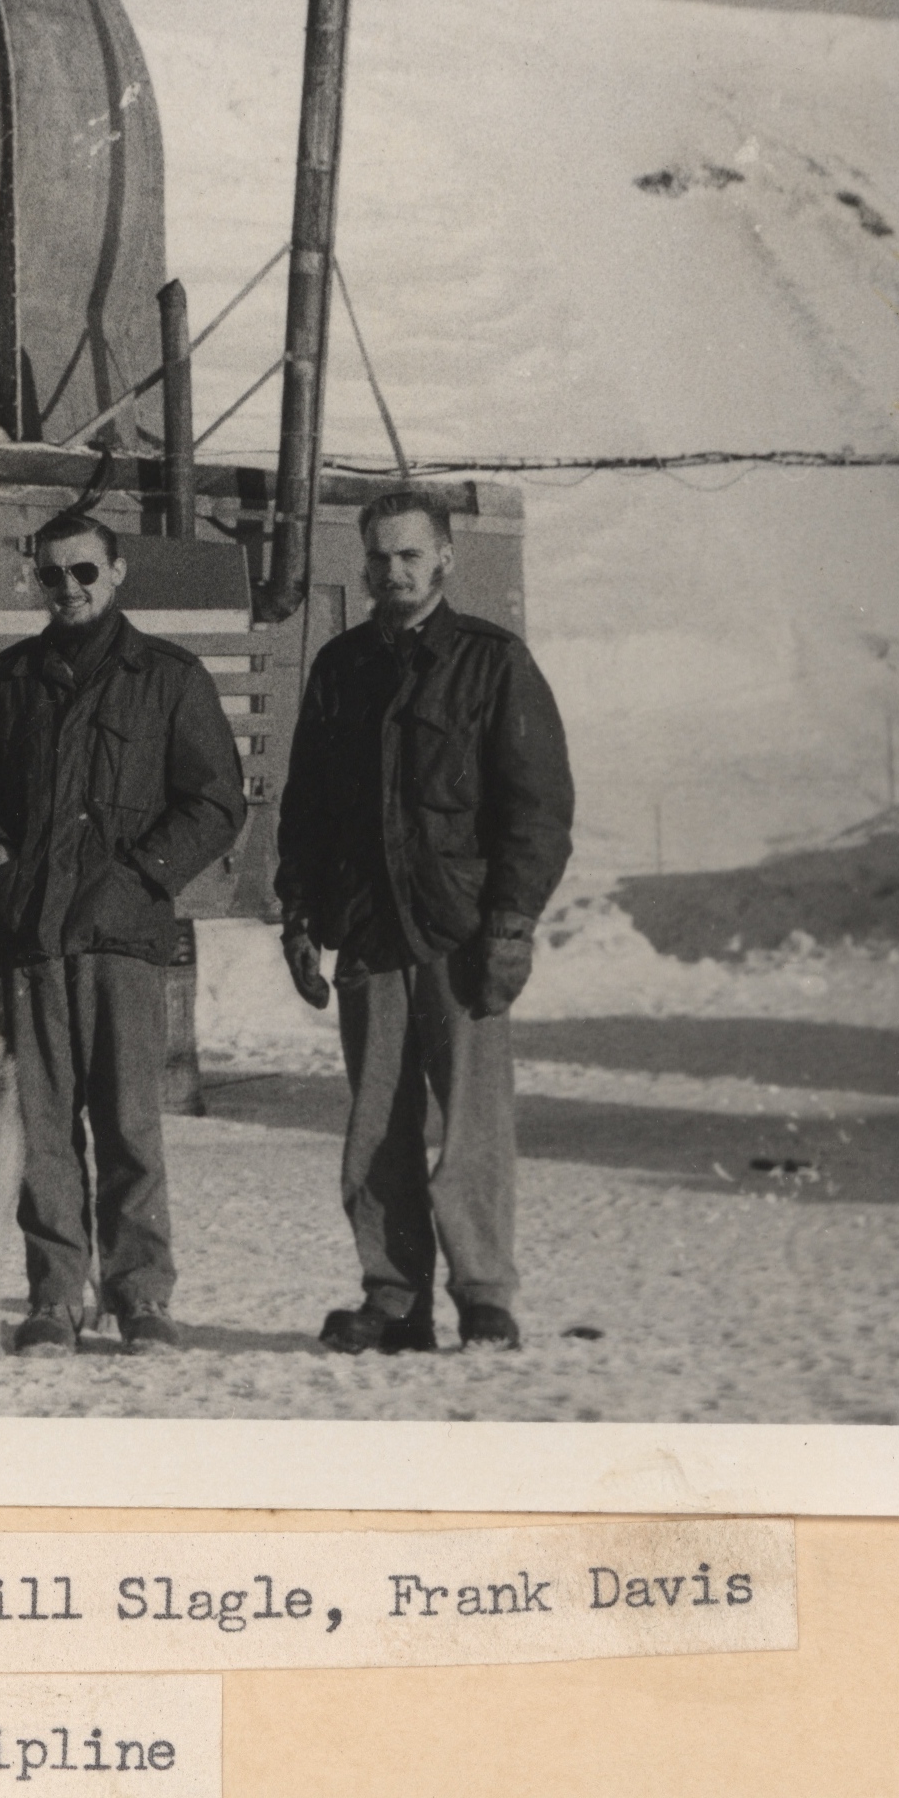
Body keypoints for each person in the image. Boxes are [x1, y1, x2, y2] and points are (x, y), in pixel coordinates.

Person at [272, 484, 576, 1357]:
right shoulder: (340, 668)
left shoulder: (493, 662)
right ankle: (395, 1298)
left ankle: (484, 1296)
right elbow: (306, 808)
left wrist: (511, 924)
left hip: (460, 933)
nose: (393, 572)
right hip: (370, 931)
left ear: (445, 556)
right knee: (377, 1126)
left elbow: (538, 809)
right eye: (379, 557)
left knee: (473, 1128)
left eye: (410, 555)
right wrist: (300, 915)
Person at [0, 508, 247, 1357]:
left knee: (129, 1127)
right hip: (31, 938)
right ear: (36, 581)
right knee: (40, 1131)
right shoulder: (10, 678)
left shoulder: (169, 677)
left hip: (122, 941)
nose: (68, 587)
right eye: (52, 574)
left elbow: (216, 802)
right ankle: (54, 1297)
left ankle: (140, 1295)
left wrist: (140, 876)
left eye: (84, 571)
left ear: (117, 573)